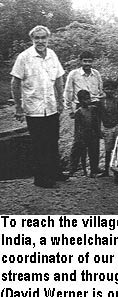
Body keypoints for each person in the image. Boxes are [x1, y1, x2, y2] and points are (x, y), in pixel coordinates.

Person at [10, 25, 68, 188]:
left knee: (53, 140)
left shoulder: (52, 55)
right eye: (37, 38)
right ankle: (41, 178)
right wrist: (18, 107)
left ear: (48, 39)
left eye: (43, 38)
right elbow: (15, 83)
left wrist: (60, 101)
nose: (40, 41)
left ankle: (55, 172)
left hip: (51, 106)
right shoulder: (24, 57)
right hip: (33, 108)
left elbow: (58, 79)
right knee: (39, 143)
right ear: (32, 39)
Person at [64, 50, 103, 175]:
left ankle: (94, 167)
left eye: (90, 61)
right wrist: (70, 109)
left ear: (93, 61)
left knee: (95, 138)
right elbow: (68, 91)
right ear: (80, 61)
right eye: (85, 61)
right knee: (79, 140)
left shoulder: (96, 74)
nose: (87, 63)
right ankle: (73, 168)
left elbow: (100, 91)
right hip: (80, 107)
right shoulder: (74, 74)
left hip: (95, 107)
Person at [69, 90, 102, 178]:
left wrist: (98, 132)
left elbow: (96, 122)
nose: (87, 101)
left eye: (88, 99)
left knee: (94, 153)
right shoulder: (78, 112)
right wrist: (78, 137)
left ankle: (94, 170)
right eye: (85, 99)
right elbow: (77, 127)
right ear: (80, 101)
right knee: (79, 153)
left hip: (93, 135)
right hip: (83, 136)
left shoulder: (93, 109)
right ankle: (75, 169)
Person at [98, 79, 118, 176]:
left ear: (114, 90)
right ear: (103, 89)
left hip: (117, 126)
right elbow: (99, 116)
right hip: (106, 127)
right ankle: (106, 170)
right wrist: (100, 128)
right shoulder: (101, 102)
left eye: (111, 89)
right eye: (107, 89)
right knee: (108, 149)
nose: (109, 91)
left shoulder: (117, 101)